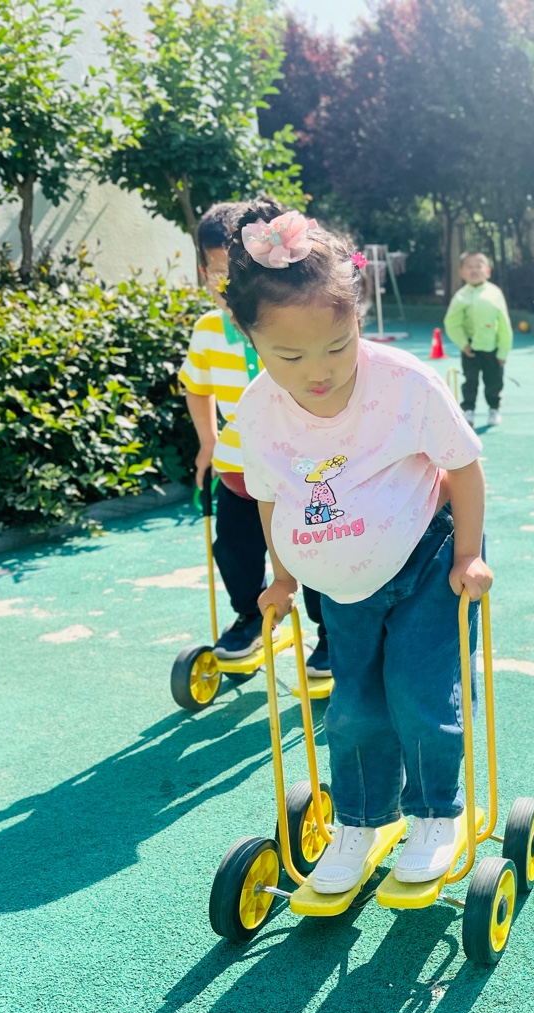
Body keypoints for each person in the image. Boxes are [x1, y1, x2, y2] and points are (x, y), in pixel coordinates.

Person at [227, 201, 492, 892]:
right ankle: (361, 819)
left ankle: (435, 813)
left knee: (419, 691)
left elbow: (463, 467)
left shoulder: (405, 384)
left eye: (337, 346)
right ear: (250, 336)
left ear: (358, 318)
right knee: (353, 707)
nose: (318, 370)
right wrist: (283, 578)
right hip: (339, 582)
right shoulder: (256, 409)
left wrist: (468, 553)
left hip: (427, 558)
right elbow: (270, 495)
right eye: (289, 355)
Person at [179, 201, 332, 676]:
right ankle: (251, 616)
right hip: (238, 469)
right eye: (215, 274)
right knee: (234, 549)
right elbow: (196, 387)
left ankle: (330, 632)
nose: (226, 286)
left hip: (298, 470)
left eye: (235, 273)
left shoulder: (287, 321)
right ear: (203, 273)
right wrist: (207, 442)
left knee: (315, 547)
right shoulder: (208, 331)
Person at [444, 252, 512, 427]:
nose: (474, 270)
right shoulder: (461, 296)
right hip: (471, 350)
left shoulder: (494, 293)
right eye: (469, 267)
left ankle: (494, 408)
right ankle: (468, 410)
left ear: (487, 271)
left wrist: (503, 351)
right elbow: (452, 322)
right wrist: (463, 343)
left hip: (492, 348)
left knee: (494, 381)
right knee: (470, 381)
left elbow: (504, 324)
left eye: (479, 266)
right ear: (461, 272)